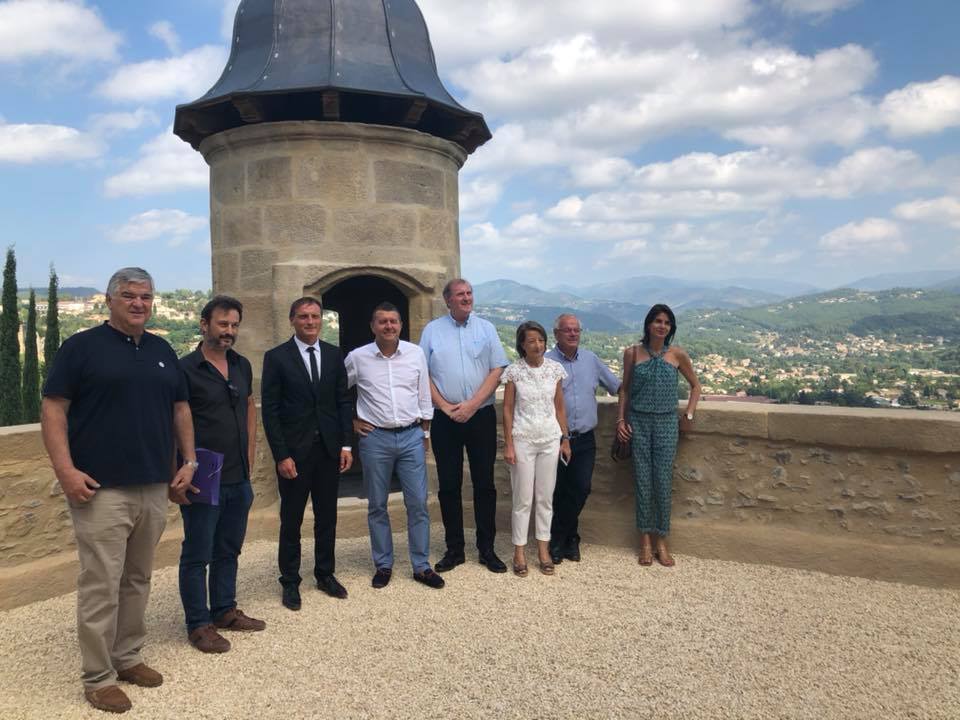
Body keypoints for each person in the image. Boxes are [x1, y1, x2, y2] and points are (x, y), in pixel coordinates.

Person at [40, 267, 197, 714]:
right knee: (100, 584)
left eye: (146, 297)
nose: (138, 304)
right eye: (128, 296)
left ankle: (127, 657)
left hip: (153, 486)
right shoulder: (81, 348)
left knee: (137, 579)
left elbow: (180, 408)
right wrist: (66, 470)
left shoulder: (163, 349)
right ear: (109, 300)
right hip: (100, 490)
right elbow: (53, 409)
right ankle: (97, 677)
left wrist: (188, 461)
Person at [176, 295, 265, 654]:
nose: (229, 331)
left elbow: (248, 406)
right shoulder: (185, 369)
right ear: (204, 325)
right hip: (203, 473)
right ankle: (198, 624)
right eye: (222, 324)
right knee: (198, 552)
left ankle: (225, 609)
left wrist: (251, 452)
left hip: (238, 476)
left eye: (234, 325)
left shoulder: (241, 365)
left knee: (229, 547)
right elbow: (174, 420)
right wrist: (179, 469)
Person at [261, 297, 353, 611]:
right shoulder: (276, 358)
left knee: (327, 517)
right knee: (292, 519)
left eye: (315, 316)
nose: (310, 322)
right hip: (294, 454)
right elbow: (270, 412)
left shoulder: (333, 354)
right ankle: (290, 582)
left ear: (321, 320)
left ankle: (325, 574)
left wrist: (345, 445)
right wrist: (281, 455)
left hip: (328, 450)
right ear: (293, 320)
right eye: (303, 317)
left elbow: (343, 402)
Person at [345, 303, 444, 590]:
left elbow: (423, 392)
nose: (389, 326)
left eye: (393, 321)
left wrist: (426, 431)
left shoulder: (415, 354)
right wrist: (352, 422)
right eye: (382, 322)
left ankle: (421, 566)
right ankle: (383, 564)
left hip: (412, 435)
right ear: (373, 326)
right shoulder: (358, 358)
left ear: (400, 324)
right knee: (377, 504)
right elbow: (338, 391)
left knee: (418, 503)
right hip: (375, 439)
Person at [419, 279, 510, 574]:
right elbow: (423, 374)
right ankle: (454, 550)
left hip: (480, 416)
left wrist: (472, 405)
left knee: (485, 484)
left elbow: (497, 369)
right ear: (448, 300)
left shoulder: (487, 329)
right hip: (445, 419)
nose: (466, 298)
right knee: (449, 486)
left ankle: (487, 550)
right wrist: (445, 406)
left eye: (469, 293)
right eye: (460, 294)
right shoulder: (432, 330)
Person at [616, 304, 701, 567]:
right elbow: (624, 390)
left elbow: (696, 386)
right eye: (657, 321)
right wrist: (621, 419)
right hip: (638, 423)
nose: (662, 326)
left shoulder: (677, 355)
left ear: (670, 328)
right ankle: (644, 541)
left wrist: (688, 414)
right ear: (648, 324)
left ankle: (661, 541)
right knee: (642, 481)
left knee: (662, 483)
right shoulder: (632, 353)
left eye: (666, 322)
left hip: (666, 424)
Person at [545, 314, 621, 565]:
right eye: (567, 330)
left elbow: (617, 387)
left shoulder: (590, 359)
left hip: (585, 438)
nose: (573, 334)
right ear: (556, 334)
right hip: (554, 438)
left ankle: (559, 538)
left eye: (576, 330)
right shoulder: (546, 362)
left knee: (581, 487)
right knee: (558, 492)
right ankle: (570, 540)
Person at [502, 321, 571, 576]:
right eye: (531, 340)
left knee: (545, 498)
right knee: (522, 499)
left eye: (541, 340)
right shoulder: (513, 372)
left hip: (550, 438)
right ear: (522, 344)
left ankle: (543, 549)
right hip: (522, 439)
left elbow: (560, 407)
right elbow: (507, 409)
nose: (537, 345)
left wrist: (565, 439)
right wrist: (509, 444)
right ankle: (519, 551)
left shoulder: (555, 370)